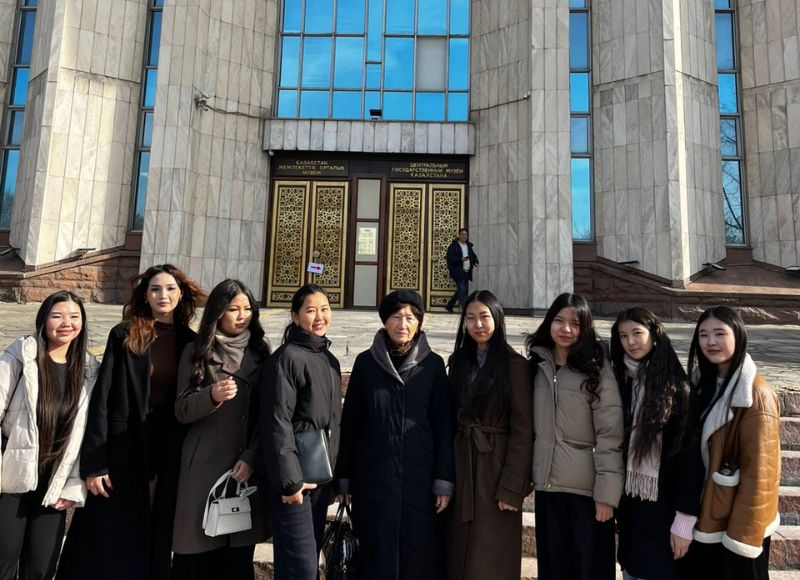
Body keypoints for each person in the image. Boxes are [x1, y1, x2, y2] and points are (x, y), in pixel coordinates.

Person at [57, 265, 204, 580]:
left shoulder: (191, 342)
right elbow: (103, 399)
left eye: (170, 289)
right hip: (123, 448)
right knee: (108, 536)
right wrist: (94, 463)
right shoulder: (125, 334)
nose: (162, 295)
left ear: (181, 294)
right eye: (155, 289)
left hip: (168, 450)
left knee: (157, 533)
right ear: (145, 295)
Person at [335, 289, 455, 580]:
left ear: (420, 323)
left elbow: (443, 425)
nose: (403, 324)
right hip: (372, 478)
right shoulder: (366, 364)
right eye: (396, 317)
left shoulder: (433, 365)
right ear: (384, 321)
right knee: (375, 554)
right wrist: (344, 478)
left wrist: (444, 479)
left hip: (420, 480)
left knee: (418, 556)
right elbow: (351, 423)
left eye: (410, 317)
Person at [171, 279, 272, 580]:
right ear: (217, 312)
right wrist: (211, 396)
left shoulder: (261, 354)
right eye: (233, 309)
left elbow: (268, 416)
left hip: (243, 470)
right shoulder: (197, 351)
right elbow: (182, 409)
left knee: (236, 559)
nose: (242, 316)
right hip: (203, 468)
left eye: (247, 309)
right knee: (197, 558)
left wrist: (252, 456)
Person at [0, 291, 98, 580]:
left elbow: (87, 434)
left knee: (41, 568)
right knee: (3, 561)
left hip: (54, 483)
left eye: (74, 316)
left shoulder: (90, 370)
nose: (66, 323)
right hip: (10, 479)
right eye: (57, 316)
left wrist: (73, 485)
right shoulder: (20, 357)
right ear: (43, 320)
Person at [527, 292, 624, 580]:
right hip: (548, 489)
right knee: (554, 569)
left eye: (575, 323)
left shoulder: (597, 367)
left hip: (587, 493)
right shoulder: (537, 365)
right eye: (559, 321)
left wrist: (607, 495)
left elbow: (610, 433)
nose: (566, 329)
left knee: (590, 569)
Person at [684, 306, 780, 580]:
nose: (710, 342)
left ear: (738, 335)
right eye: (703, 335)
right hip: (710, 517)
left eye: (719, 333)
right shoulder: (703, 384)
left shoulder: (755, 394)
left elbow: (760, 477)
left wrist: (742, 541)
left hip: (736, 530)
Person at [609, 307, 705, 580]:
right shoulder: (621, 381)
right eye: (623, 335)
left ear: (654, 335)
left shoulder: (677, 388)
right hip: (632, 510)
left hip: (665, 509)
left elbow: (690, 460)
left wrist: (684, 521)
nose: (630, 342)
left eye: (637, 333)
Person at [446, 290, 533, 580]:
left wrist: (512, 487)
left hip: (495, 468)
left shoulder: (515, 366)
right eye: (470, 318)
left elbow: (523, 431)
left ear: (497, 318)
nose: (478, 324)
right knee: (458, 552)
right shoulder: (459, 361)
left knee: (490, 555)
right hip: (462, 464)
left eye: (484, 316)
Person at [260, 284, 342, 580]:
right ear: (294, 316)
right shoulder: (287, 358)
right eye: (310, 310)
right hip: (295, 480)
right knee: (301, 567)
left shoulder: (330, 360)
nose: (319, 316)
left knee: (306, 561)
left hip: (319, 477)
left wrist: (335, 477)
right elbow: (277, 421)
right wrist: (290, 481)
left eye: (325, 309)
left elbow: (334, 422)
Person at [445, 228, 479, 313]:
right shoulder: (454, 246)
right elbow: (450, 258)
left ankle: (449, 305)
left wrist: (475, 262)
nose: (464, 236)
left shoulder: (468, 246)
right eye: (462, 234)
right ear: (459, 235)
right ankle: (465, 310)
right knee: (462, 290)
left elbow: (473, 255)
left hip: (467, 271)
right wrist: (461, 259)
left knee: (461, 290)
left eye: (465, 235)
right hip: (458, 271)